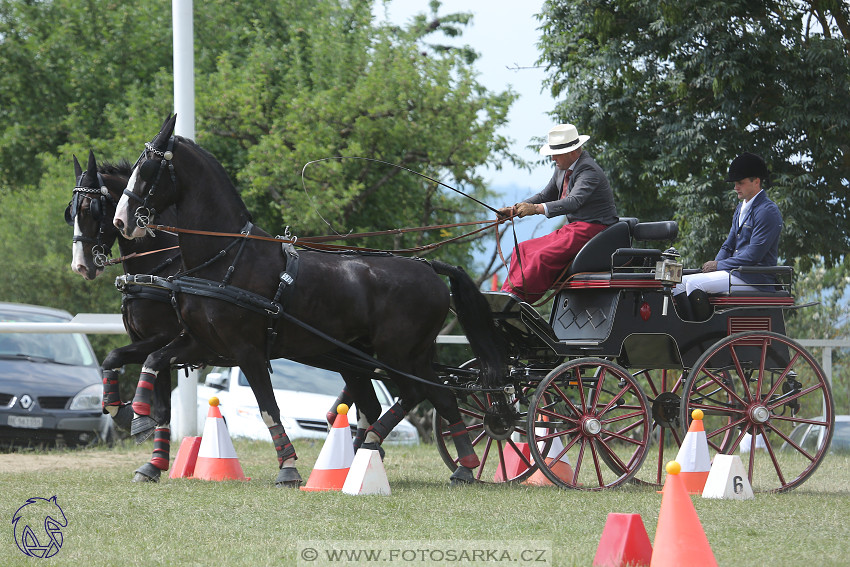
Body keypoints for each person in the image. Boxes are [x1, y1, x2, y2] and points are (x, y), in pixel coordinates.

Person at [497, 123, 618, 302]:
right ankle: (506, 294)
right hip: (574, 229)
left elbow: (573, 201)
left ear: (572, 151)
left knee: (541, 256)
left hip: (594, 229)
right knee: (521, 249)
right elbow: (546, 195)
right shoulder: (562, 168)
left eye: (556, 153)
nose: (553, 158)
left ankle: (518, 299)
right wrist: (516, 209)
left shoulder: (588, 170)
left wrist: (535, 209)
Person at [673, 152, 783, 321]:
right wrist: (713, 266)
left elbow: (754, 255)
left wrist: (718, 265)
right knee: (677, 284)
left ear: (756, 182)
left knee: (694, 284)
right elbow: (728, 245)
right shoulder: (740, 208)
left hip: (754, 278)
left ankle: (701, 332)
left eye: (740, 183)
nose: (735, 187)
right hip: (736, 273)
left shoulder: (767, 211)